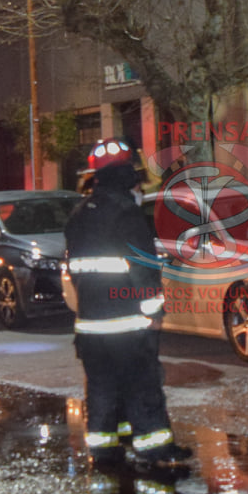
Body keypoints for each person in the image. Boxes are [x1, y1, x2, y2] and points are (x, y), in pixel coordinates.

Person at [64, 138, 190, 470]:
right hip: (129, 324)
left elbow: (76, 271)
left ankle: (105, 450)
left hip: (90, 325)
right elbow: (143, 269)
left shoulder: (78, 216)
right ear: (125, 178)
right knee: (141, 386)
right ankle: (154, 448)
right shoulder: (127, 214)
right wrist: (154, 312)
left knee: (103, 389)